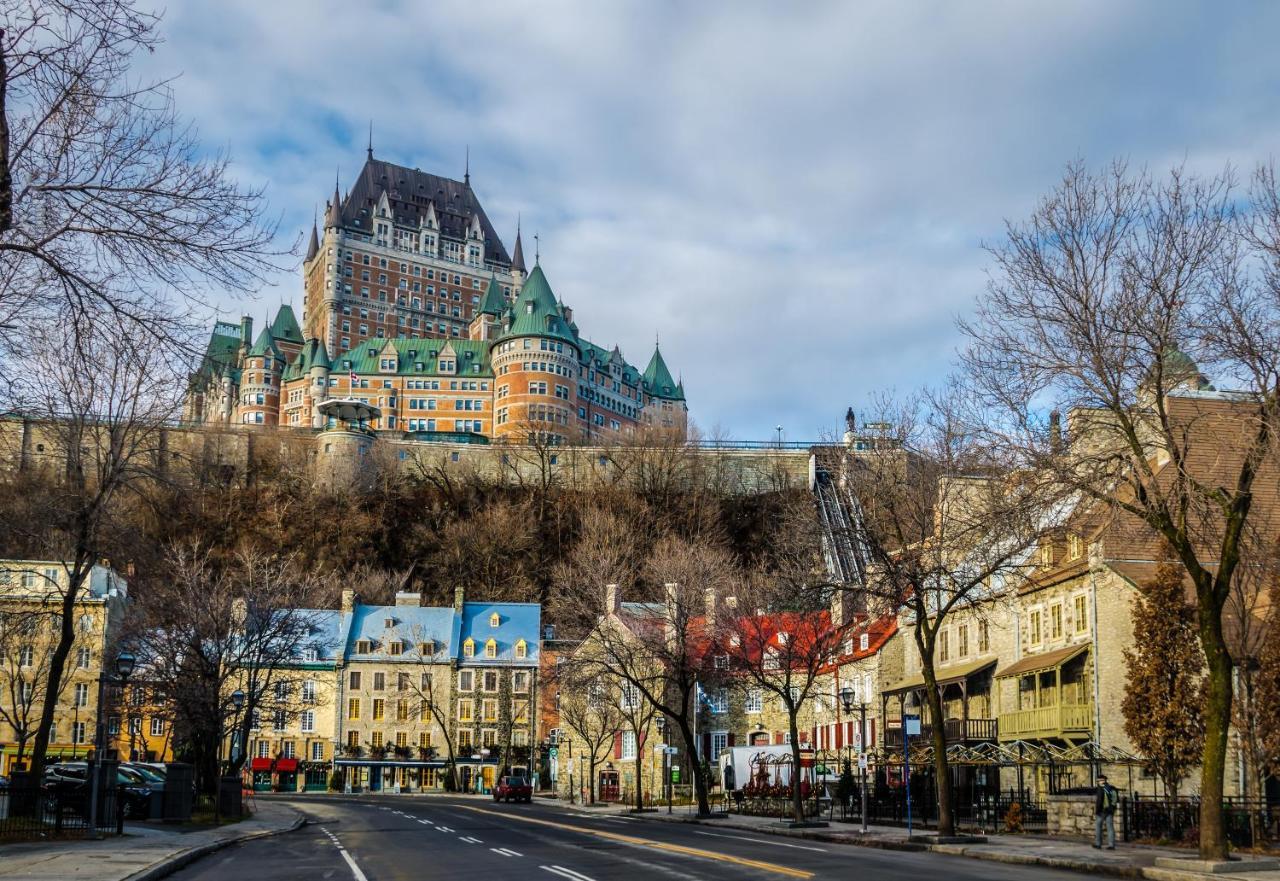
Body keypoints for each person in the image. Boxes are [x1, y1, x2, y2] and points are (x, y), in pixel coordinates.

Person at [1093, 773, 1118, 849]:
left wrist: (1098, 811)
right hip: (1106, 811)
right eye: (1098, 781)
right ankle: (1110, 845)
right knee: (1109, 828)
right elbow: (1114, 800)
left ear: (1103, 781)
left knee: (1100, 827)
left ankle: (1099, 844)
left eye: (1099, 781)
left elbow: (1102, 801)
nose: (1098, 782)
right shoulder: (1110, 788)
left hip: (1103, 811)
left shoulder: (1104, 788)